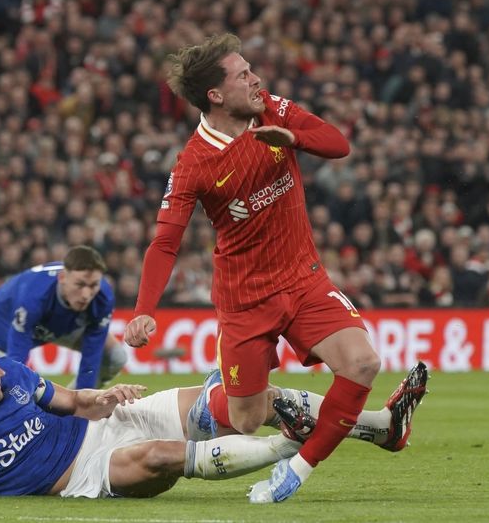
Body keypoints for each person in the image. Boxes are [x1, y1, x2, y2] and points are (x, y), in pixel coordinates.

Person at [124, 33, 382, 502]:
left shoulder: (273, 110)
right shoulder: (194, 163)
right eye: (243, 75)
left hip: (303, 278)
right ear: (216, 95)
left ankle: (297, 467)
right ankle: (217, 390)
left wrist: (294, 138)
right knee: (244, 418)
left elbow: (337, 143)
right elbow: (165, 242)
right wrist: (144, 309)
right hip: (246, 298)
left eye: (251, 69)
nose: (256, 79)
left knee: (363, 362)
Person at [0, 324, 427, 500]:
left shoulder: (11, 375)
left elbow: (69, 401)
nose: (0, 375)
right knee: (162, 457)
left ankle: (382, 427)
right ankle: (292, 446)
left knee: (244, 402)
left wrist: (103, 398)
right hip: (82, 475)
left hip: (106, 423)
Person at [0, 245, 127, 389]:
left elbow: (92, 353)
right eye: (80, 284)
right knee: (4, 383)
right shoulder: (34, 296)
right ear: (62, 277)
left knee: (116, 357)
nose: (86, 295)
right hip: (3, 320)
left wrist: (82, 400)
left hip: (62, 322)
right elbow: (17, 355)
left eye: (93, 285)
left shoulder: (103, 297)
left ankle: (71, 401)